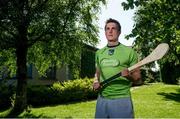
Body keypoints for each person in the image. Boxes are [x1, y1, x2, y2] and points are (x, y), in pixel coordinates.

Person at [93, 18, 141, 118]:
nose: (110, 31)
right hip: (102, 100)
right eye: (107, 28)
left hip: (121, 100)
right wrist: (95, 81)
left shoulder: (129, 52)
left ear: (119, 32)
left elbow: (138, 80)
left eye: (113, 28)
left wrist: (129, 76)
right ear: (105, 32)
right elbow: (97, 73)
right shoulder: (99, 53)